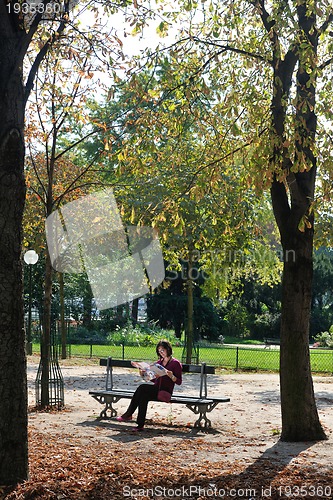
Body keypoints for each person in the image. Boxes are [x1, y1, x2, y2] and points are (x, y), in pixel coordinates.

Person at [116, 340, 182, 431]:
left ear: (168, 349)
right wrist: (143, 373)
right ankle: (140, 425)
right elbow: (153, 379)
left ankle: (128, 414)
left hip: (164, 392)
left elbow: (179, 381)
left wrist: (171, 376)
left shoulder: (175, 363)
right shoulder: (159, 363)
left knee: (142, 388)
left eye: (162, 350)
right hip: (156, 389)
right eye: (159, 351)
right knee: (143, 396)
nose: (161, 353)